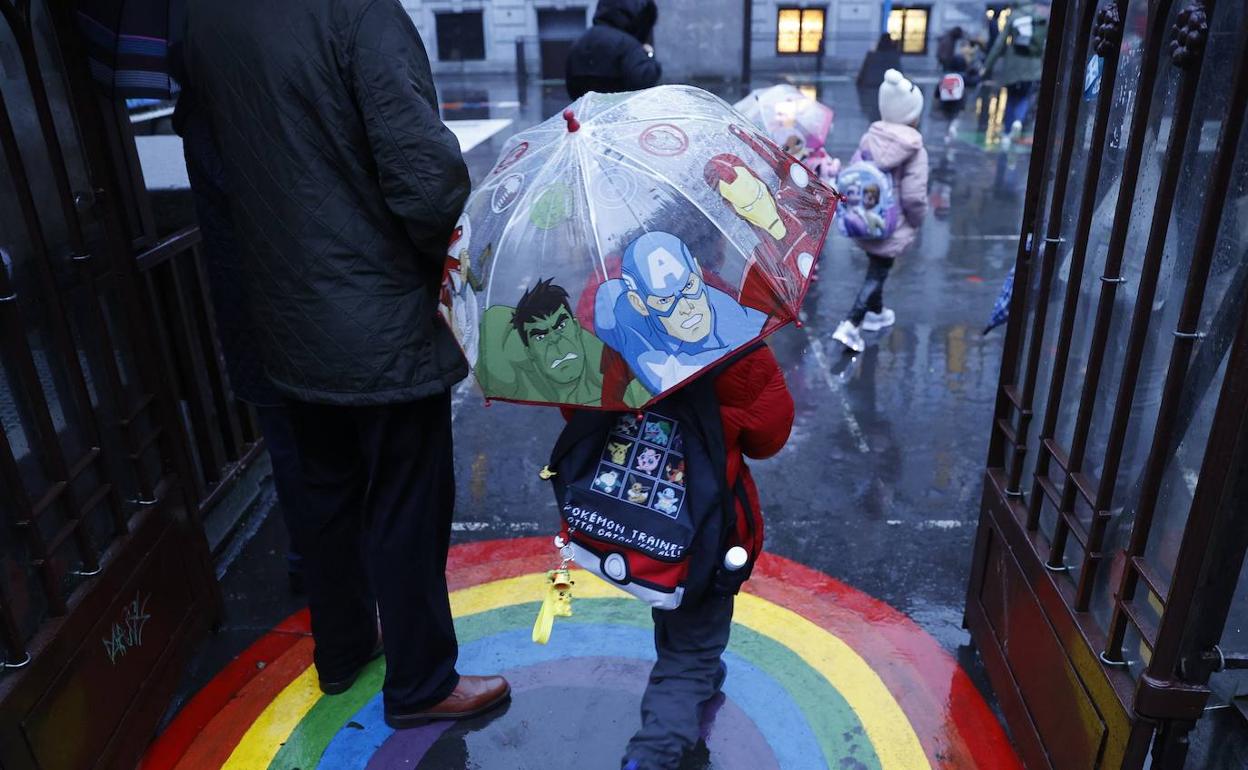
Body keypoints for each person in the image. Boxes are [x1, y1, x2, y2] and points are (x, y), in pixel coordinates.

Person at [180, 0, 509, 729]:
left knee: (324, 492)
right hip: (377, 315)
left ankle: (344, 650)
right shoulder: (358, 14)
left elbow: (213, 168)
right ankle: (422, 682)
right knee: (406, 502)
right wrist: (456, 263)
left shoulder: (206, 21)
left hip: (281, 311)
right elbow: (424, 180)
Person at [619, 342, 795, 769]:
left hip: (633, 511)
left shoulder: (600, 314)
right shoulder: (730, 332)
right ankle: (651, 755)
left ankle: (697, 671)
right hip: (704, 526)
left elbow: (577, 408)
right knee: (693, 646)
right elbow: (768, 435)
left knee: (666, 589)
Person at [171, 83, 310, 595]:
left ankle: (310, 564)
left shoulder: (202, 111)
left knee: (291, 447)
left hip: (256, 314)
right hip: (282, 311)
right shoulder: (235, 117)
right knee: (307, 450)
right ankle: (323, 571)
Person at [832, 69, 930, 354]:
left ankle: (877, 313)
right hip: (893, 224)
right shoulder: (915, 149)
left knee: (878, 267)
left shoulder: (870, 138)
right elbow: (913, 196)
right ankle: (850, 325)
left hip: (865, 220)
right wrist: (916, 221)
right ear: (913, 114)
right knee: (877, 273)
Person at [981, 1, 1050, 147]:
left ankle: (1007, 132)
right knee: (1025, 97)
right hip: (1033, 67)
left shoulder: (1014, 16)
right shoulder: (1039, 17)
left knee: (1011, 99)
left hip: (1013, 66)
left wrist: (987, 66)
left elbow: (1000, 43)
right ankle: (1018, 121)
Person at [566, 0, 661, 99]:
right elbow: (643, 80)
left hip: (588, 110)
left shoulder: (580, 41)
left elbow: (571, 85)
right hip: (620, 109)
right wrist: (649, 54)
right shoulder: (627, 45)